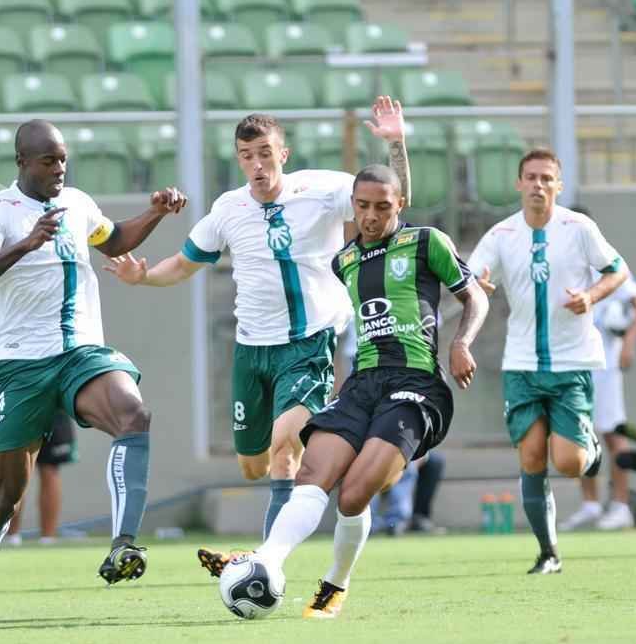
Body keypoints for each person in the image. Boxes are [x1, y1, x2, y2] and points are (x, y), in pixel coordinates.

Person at [103, 97, 413, 552]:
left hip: (310, 341)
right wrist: (142, 276)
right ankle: (329, 453)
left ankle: (267, 563)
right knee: (255, 464)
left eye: (265, 153)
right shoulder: (228, 210)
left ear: (282, 154)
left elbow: (391, 198)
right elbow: (184, 264)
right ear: (239, 160)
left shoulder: (324, 190)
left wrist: (395, 144)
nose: (257, 163)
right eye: (247, 156)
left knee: (285, 444)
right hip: (252, 351)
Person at [201, 164, 488, 618]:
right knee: (311, 473)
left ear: (401, 205)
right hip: (362, 383)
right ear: (351, 205)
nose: (371, 216)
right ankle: (265, 561)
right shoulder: (345, 260)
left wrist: (460, 342)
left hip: (415, 384)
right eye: (362, 206)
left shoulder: (426, 242)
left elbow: (477, 296)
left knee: (353, 495)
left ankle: (335, 583)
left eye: (383, 207)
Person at [0, 119, 187, 625]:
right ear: (22, 162)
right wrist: (24, 244)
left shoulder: (78, 204)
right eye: (48, 159)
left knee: (133, 413)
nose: (59, 168)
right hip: (19, 366)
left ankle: (124, 544)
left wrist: (155, 213)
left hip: (81, 354)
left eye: (63, 158)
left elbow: (114, 238)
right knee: (6, 497)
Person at [469, 149, 630, 574]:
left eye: (546, 178)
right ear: (518, 184)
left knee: (571, 463)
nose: (538, 185)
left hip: (571, 362)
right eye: (531, 177)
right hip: (521, 364)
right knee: (532, 456)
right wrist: (478, 286)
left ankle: (588, 449)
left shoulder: (579, 228)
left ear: (558, 185)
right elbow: (472, 277)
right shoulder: (502, 235)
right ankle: (548, 552)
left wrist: (591, 296)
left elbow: (618, 270)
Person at [0, 292, 76, 545]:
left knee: (51, 467)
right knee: (14, 466)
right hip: (14, 385)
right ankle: (11, 536)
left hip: (52, 382)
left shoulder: (51, 280)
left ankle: (48, 539)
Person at [561, 266, 636, 531]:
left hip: (605, 364)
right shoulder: (567, 265)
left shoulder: (610, 265)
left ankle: (621, 506)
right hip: (575, 362)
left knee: (612, 432)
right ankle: (590, 504)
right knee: (580, 433)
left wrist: (628, 343)